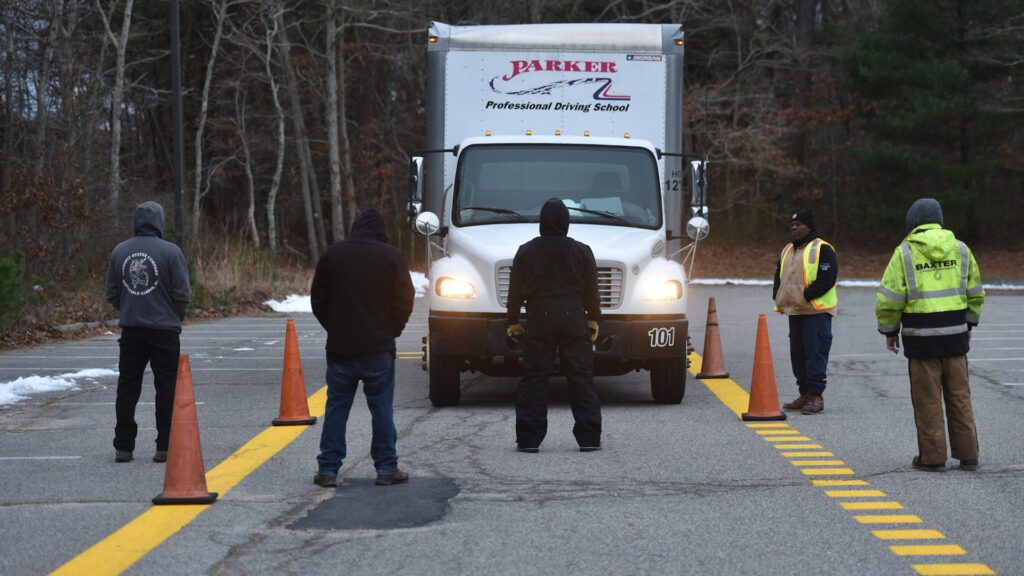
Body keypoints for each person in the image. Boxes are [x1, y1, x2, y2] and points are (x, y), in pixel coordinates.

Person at [875, 198, 984, 472]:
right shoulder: (961, 249)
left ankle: (933, 458)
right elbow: (975, 292)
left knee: (928, 401)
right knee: (960, 397)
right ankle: (968, 455)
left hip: (921, 341)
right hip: (955, 338)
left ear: (912, 223)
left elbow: (889, 297)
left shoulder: (905, 253)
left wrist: (890, 331)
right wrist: (969, 325)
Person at [311, 208, 415, 487]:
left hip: (340, 349)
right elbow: (405, 299)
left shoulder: (333, 254)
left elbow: (318, 300)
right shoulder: (391, 255)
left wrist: (335, 328)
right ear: (381, 232)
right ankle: (386, 467)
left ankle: (328, 469)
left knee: (336, 409)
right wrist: (393, 330)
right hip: (378, 349)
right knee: (381, 409)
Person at [506, 198, 602, 453]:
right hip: (573, 316)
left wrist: (513, 320)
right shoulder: (582, 250)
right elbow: (592, 291)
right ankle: (589, 438)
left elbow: (514, 291)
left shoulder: (526, 251)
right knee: (581, 377)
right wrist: (594, 318)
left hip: (539, 316)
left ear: (541, 222)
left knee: (535, 378)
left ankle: (529, 439)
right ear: (566, 223)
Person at [105, 201, 191, 463]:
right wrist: (177, 316)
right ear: (160, 222)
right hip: (164, 330)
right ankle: (164, 445)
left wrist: (130, 308)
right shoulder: (171, 251)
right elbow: (182, 293)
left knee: (128, 387)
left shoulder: (120, 251)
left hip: (131, 330)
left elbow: (112, 293)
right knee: (166, 387)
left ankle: (123, 446)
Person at [772, 208, 838, 415]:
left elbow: (827, 279)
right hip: (795, 310)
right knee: (798, 356)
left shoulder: (823, 248)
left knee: (815, 354)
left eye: (798, 224)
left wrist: (806, 295)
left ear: (808, 226)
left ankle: (816, 396)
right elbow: (778, 275)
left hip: (816, 311)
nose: (794, 227)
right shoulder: (787, 250)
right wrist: (777, 294)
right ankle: (804, 395)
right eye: (792, 224)